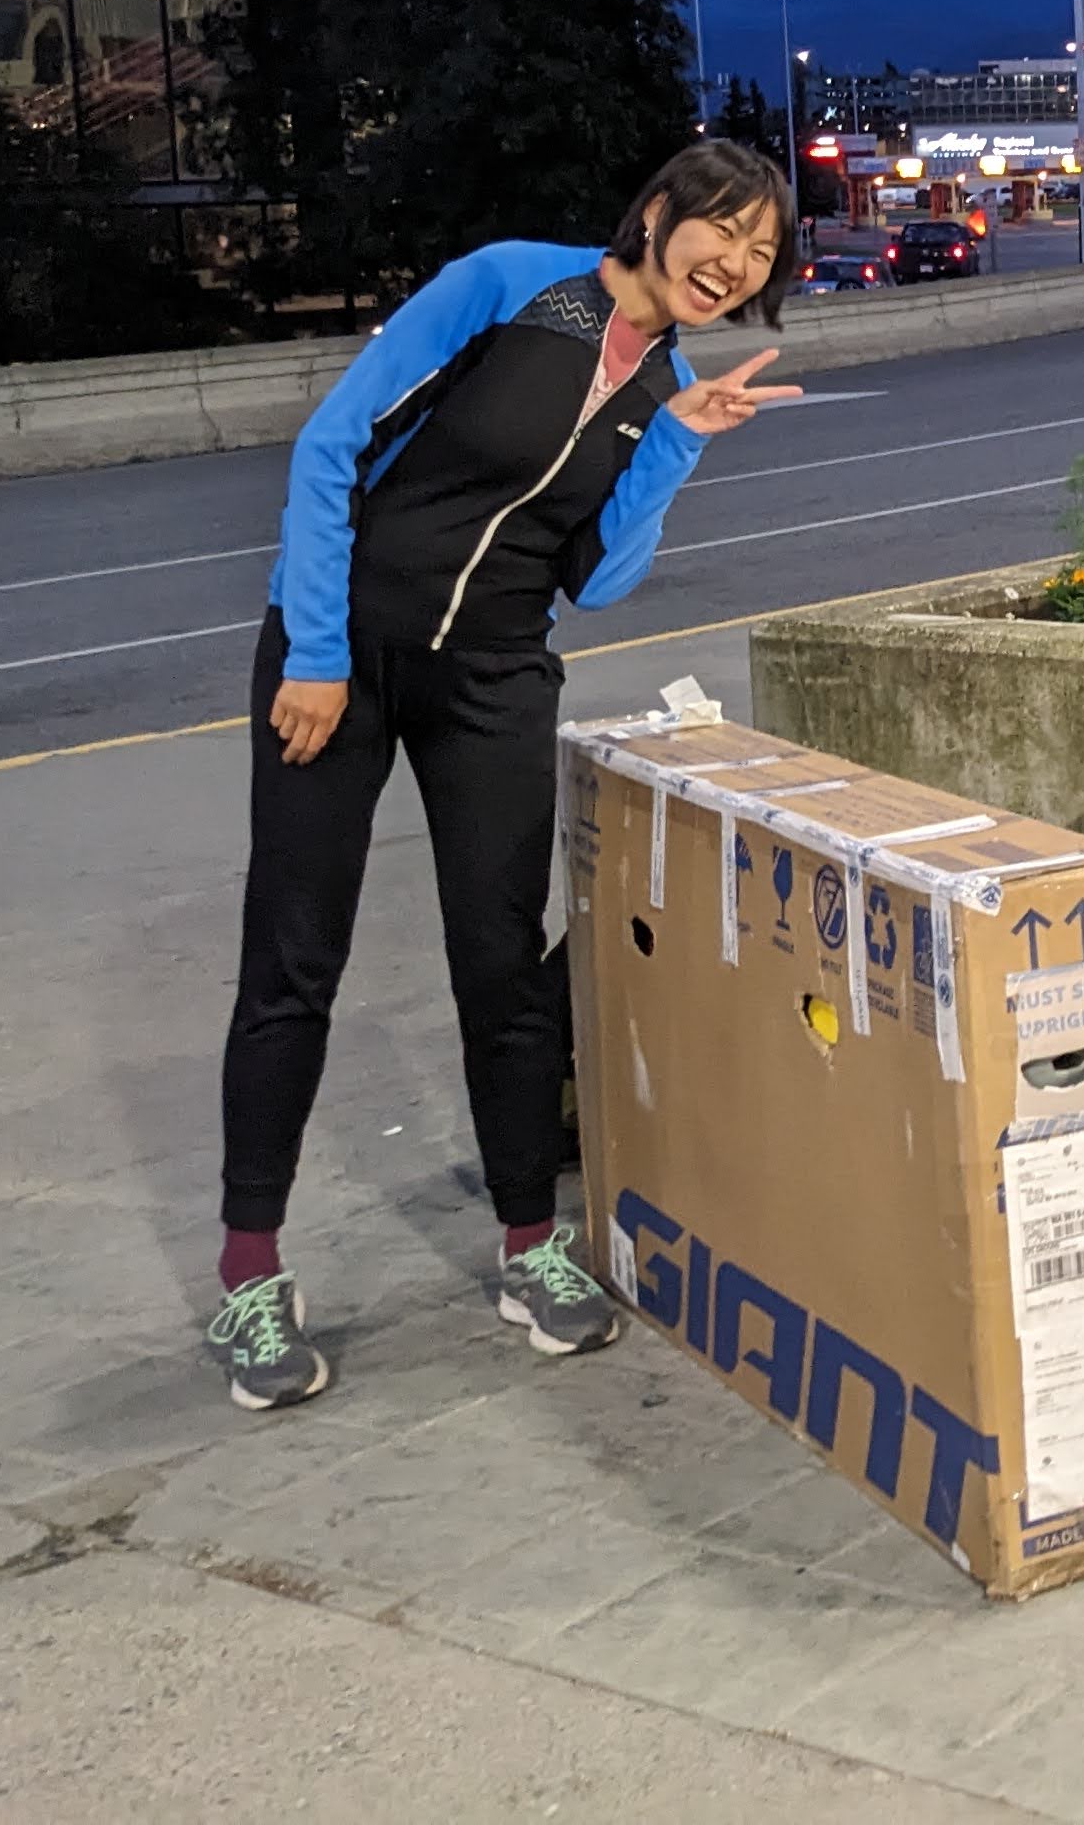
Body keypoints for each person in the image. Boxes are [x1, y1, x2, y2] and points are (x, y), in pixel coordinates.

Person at [206, 139, 806, 1409]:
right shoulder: (511, 287)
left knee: (503, 964)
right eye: (722, 231)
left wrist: (679, 441)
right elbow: (329, 449)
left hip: (493, 679)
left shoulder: (668, 380)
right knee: (294, 959)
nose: (736, 264)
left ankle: (532, 1248)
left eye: (761, 252)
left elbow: (600, 578)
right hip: (343, 658)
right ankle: (250, 1273)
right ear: (656, 213)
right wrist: (315, 650)